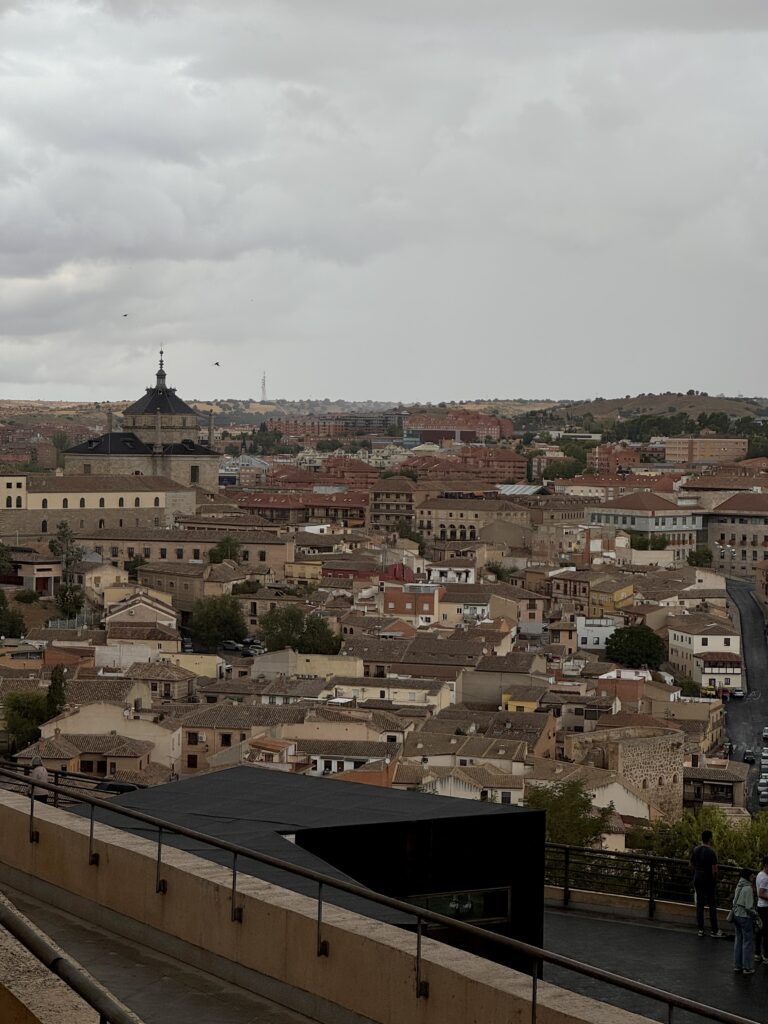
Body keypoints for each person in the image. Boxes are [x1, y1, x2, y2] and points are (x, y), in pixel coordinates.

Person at [690, 829, 722, 937]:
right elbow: (714, 870)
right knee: (712, 905)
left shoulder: (696, 849)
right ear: (710, 839)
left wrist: (696, 872)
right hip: (708, 880)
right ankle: (714, 930)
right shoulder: (712, 852)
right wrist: (715, 880)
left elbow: (691, 864)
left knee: (699, 904)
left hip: (697, 878)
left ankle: (701, 929)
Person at [732, 868, 757, 975]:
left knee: (738, 940)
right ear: (748, 877)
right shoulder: (748, 888)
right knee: (747, 942)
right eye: (752, 876)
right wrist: (756, 916)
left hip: (736, 915)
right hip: (745, 917)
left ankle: (738, 965)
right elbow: (749, 907)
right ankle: (747, 967)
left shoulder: (739, 885)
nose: (753, 878)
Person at [756, 855, 768, 964]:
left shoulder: (760, 874)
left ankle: (757, 953)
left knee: (759, 930)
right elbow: (761, 894)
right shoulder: (765, 878)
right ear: (765, 865)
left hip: (760, 906)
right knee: (765, 932)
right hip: (765, 907)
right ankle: (765, 955)